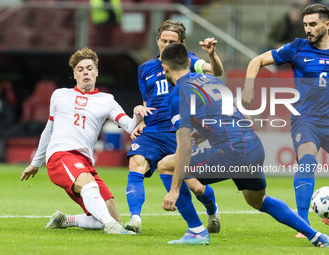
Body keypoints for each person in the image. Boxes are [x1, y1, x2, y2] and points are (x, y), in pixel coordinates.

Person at [160, 42, 329, 247]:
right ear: (188, 61)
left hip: (230, 152)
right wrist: (201, 133)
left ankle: (196, 231)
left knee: (167, 166)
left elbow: (184, 147)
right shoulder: (211, 81)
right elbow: (227, 116)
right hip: (253, 147)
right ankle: (316, 236)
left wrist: (174, 190)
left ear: (165, 68)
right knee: (258, 200)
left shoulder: (178, 93)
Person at [21, 47, 154, 235]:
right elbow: (48, 130)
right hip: (60, 156)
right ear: (74, 74)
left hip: (84, 162)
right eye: (81, 69)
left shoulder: (106, 100)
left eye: (90, 68)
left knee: (108, 214)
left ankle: (66, 220)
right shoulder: (59, 95)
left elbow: (131, 127)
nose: (86, 72)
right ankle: (113, 228)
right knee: (91, 189)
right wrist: (35, 163)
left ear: (97, 72)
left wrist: (137, 114)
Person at [125, 19, 223, 234]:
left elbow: (215, 71)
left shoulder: (190, 61)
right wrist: (140, 120)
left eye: (172, 41)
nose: (167, 45)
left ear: (182, 44)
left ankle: (211, 209)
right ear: (157, 40)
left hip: (181, 131)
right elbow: (147, 101)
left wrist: (212, 55)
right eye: (163, 40)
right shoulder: (144, 69)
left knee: (196, 186)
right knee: (136, 162)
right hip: (152, 132)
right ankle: (135, 220)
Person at [241, 3, 329, 236]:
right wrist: (249, 89)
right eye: (305, 25)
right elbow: (256, 61)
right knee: (307, 161)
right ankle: (304, 224)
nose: (308, 29)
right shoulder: (297, 48)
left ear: (327, 24)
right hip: (306, 120)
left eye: (313, 24)